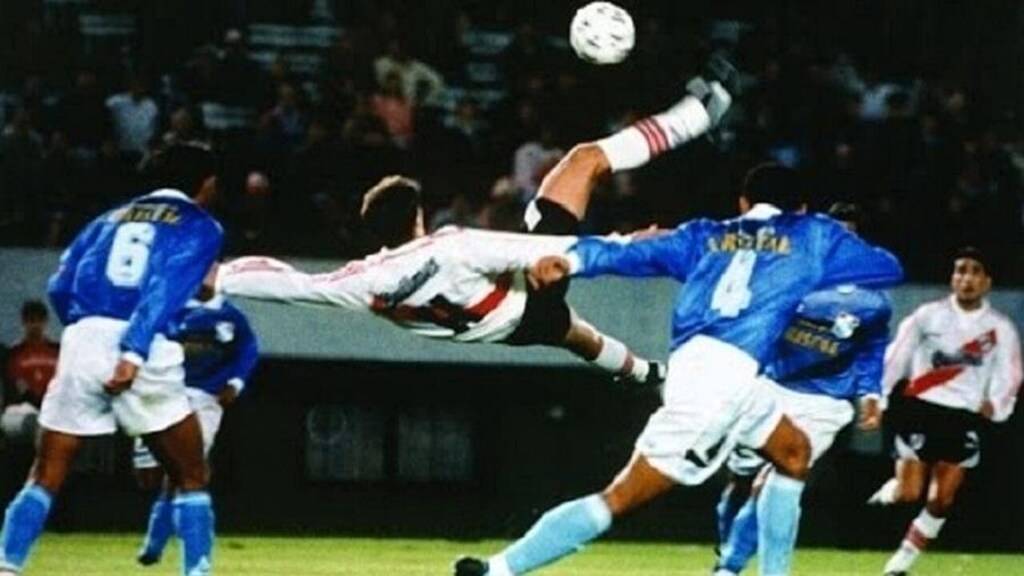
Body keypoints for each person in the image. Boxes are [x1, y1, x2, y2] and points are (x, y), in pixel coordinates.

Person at [453, 160, 904, 576]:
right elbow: (888, 268)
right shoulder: (816, 235)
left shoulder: (702, 234)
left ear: (742, 204)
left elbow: (627, 254)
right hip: (718, 384)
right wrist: (815, 258)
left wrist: (569, 260)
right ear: (802, 208)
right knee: (620, 499)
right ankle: (499, 570)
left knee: (792, 453)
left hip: (718, 369)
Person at [211, 63, 737, 388]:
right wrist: (624, 244)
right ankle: (700, 115)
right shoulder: (452, 248)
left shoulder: (363, 280)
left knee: (574, 334)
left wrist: (222, 275)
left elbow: (292, 284)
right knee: (583, 163)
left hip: (501, 334)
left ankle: (651, 377)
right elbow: (532, 254)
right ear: (417, 217)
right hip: (525, 302)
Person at [0, 143, 223, 576]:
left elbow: (60, 286)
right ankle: (196, 572)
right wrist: (133, 352)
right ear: (203, 184)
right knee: (191, 472)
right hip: (141, 341)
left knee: (44, 472)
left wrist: (85, 331)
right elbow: (164, 290)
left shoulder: (109, 218)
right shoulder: (201, 225)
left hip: (83, 338)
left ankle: (6, 567)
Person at [711, 202, 893, 576]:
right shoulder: (788, 276)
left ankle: (735, 568)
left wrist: (872, 394)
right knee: (739, 480)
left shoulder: (873, 300)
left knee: (773, 480)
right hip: (772, 389)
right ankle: (728, 554)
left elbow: (872, 350)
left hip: (825, 403)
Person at [866, 247, 1021, 576]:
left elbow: (1009, 374)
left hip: (962, 417)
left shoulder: (1000, 328)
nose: (966, 278)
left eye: (975, 271)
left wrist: (996, 405)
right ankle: (890, 491)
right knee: (909, 493)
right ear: (953, 277)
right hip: (921, 410)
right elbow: (896, 358)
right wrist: (878, 399)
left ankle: (899, 564)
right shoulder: (928, 316)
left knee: (942, 500)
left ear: (987, 282)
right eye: (960, 270)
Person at [134, 295, 258, 567]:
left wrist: (236, 383)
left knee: (191, 470)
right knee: (157, 475)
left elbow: (248, 349)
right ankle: (158, 541)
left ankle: (189, 558)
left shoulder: (231, 316)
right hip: (166, 393)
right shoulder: (172, 304)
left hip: (207, 398)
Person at [1, 301, 59, 445]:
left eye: (39, 320)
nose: (35, 326)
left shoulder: (58, 352)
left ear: (45, 322)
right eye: (31, 321)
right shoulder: (12, 354)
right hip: (21, 414)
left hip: (53, 412)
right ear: (24, 323)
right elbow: (14, 385)